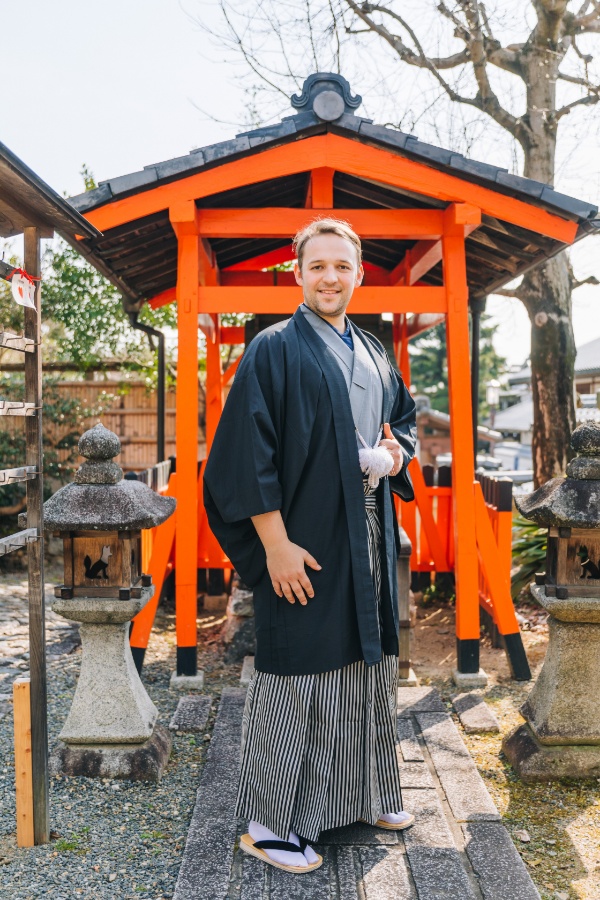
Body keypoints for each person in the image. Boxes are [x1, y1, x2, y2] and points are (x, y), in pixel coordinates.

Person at [204, 218, 417, 874]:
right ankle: (271, 823)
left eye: (342, 266)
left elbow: (402, 419)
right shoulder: (274, 348)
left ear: (358, 274)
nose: (330, 277)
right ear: (297, 273)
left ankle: (362, 794)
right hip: (304, 537)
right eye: (317, 265)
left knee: (364, 657)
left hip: (368, 530)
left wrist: (392, 452)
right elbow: (246, 455)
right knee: (298, 668)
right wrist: (273, 546)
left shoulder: (376, 350)